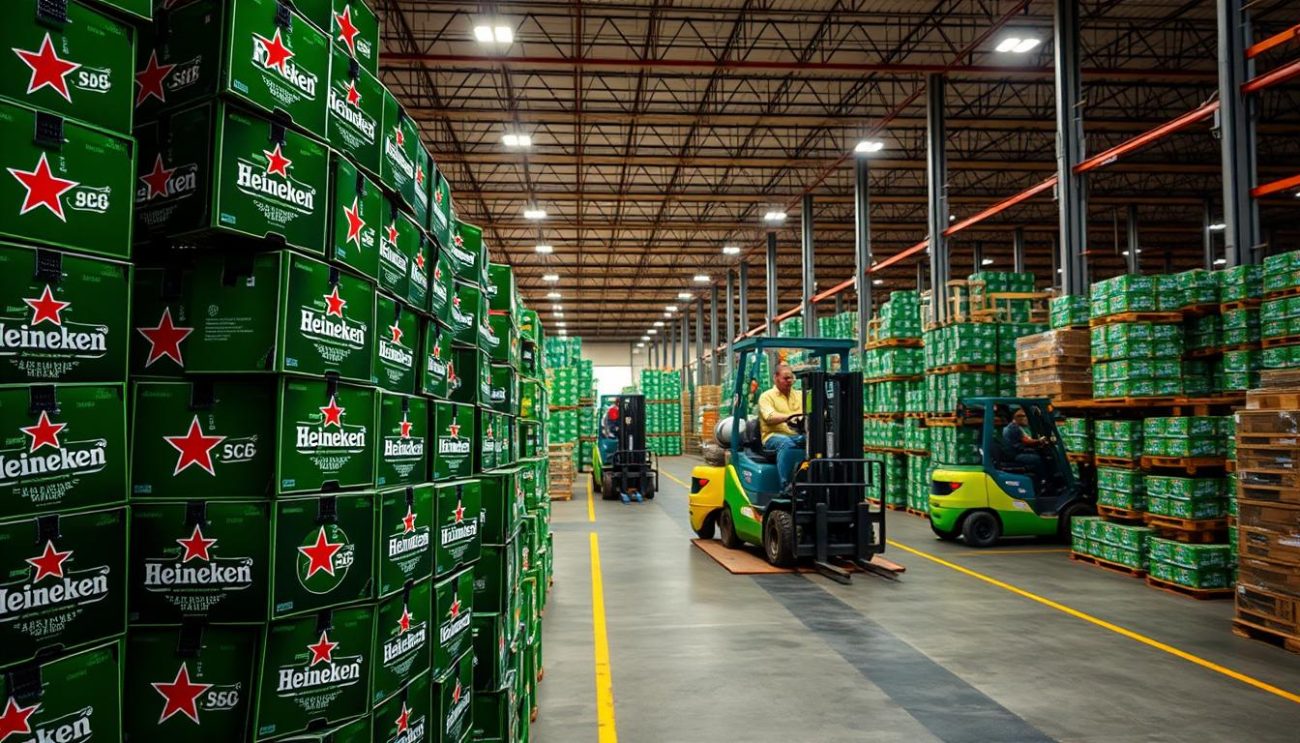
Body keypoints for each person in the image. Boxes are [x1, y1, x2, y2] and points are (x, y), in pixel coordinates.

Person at [759, 363, 805, 488]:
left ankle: (813, 481)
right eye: (786, 378)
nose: (789, 381)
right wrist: (789, 417)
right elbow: (769, 417)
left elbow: (812, 410)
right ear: (775, 378)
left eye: (791, 378)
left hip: (797, 435)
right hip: (773, 436)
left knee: (817, 441)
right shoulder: (766, 397)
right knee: (786, 443)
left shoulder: (801, 395)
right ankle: (787, 485)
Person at [1002, 407, 1047, 481]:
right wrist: (1039, 441)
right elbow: (1026, 441)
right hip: (1015, 455)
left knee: (1036, 454)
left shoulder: (1015, 427)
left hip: (1016, 452)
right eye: (1021, 416)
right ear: (1015, 417)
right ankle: (1043, 479)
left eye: (1025, 416)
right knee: (1038, 459)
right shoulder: (1013, 427)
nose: (1024, 418)